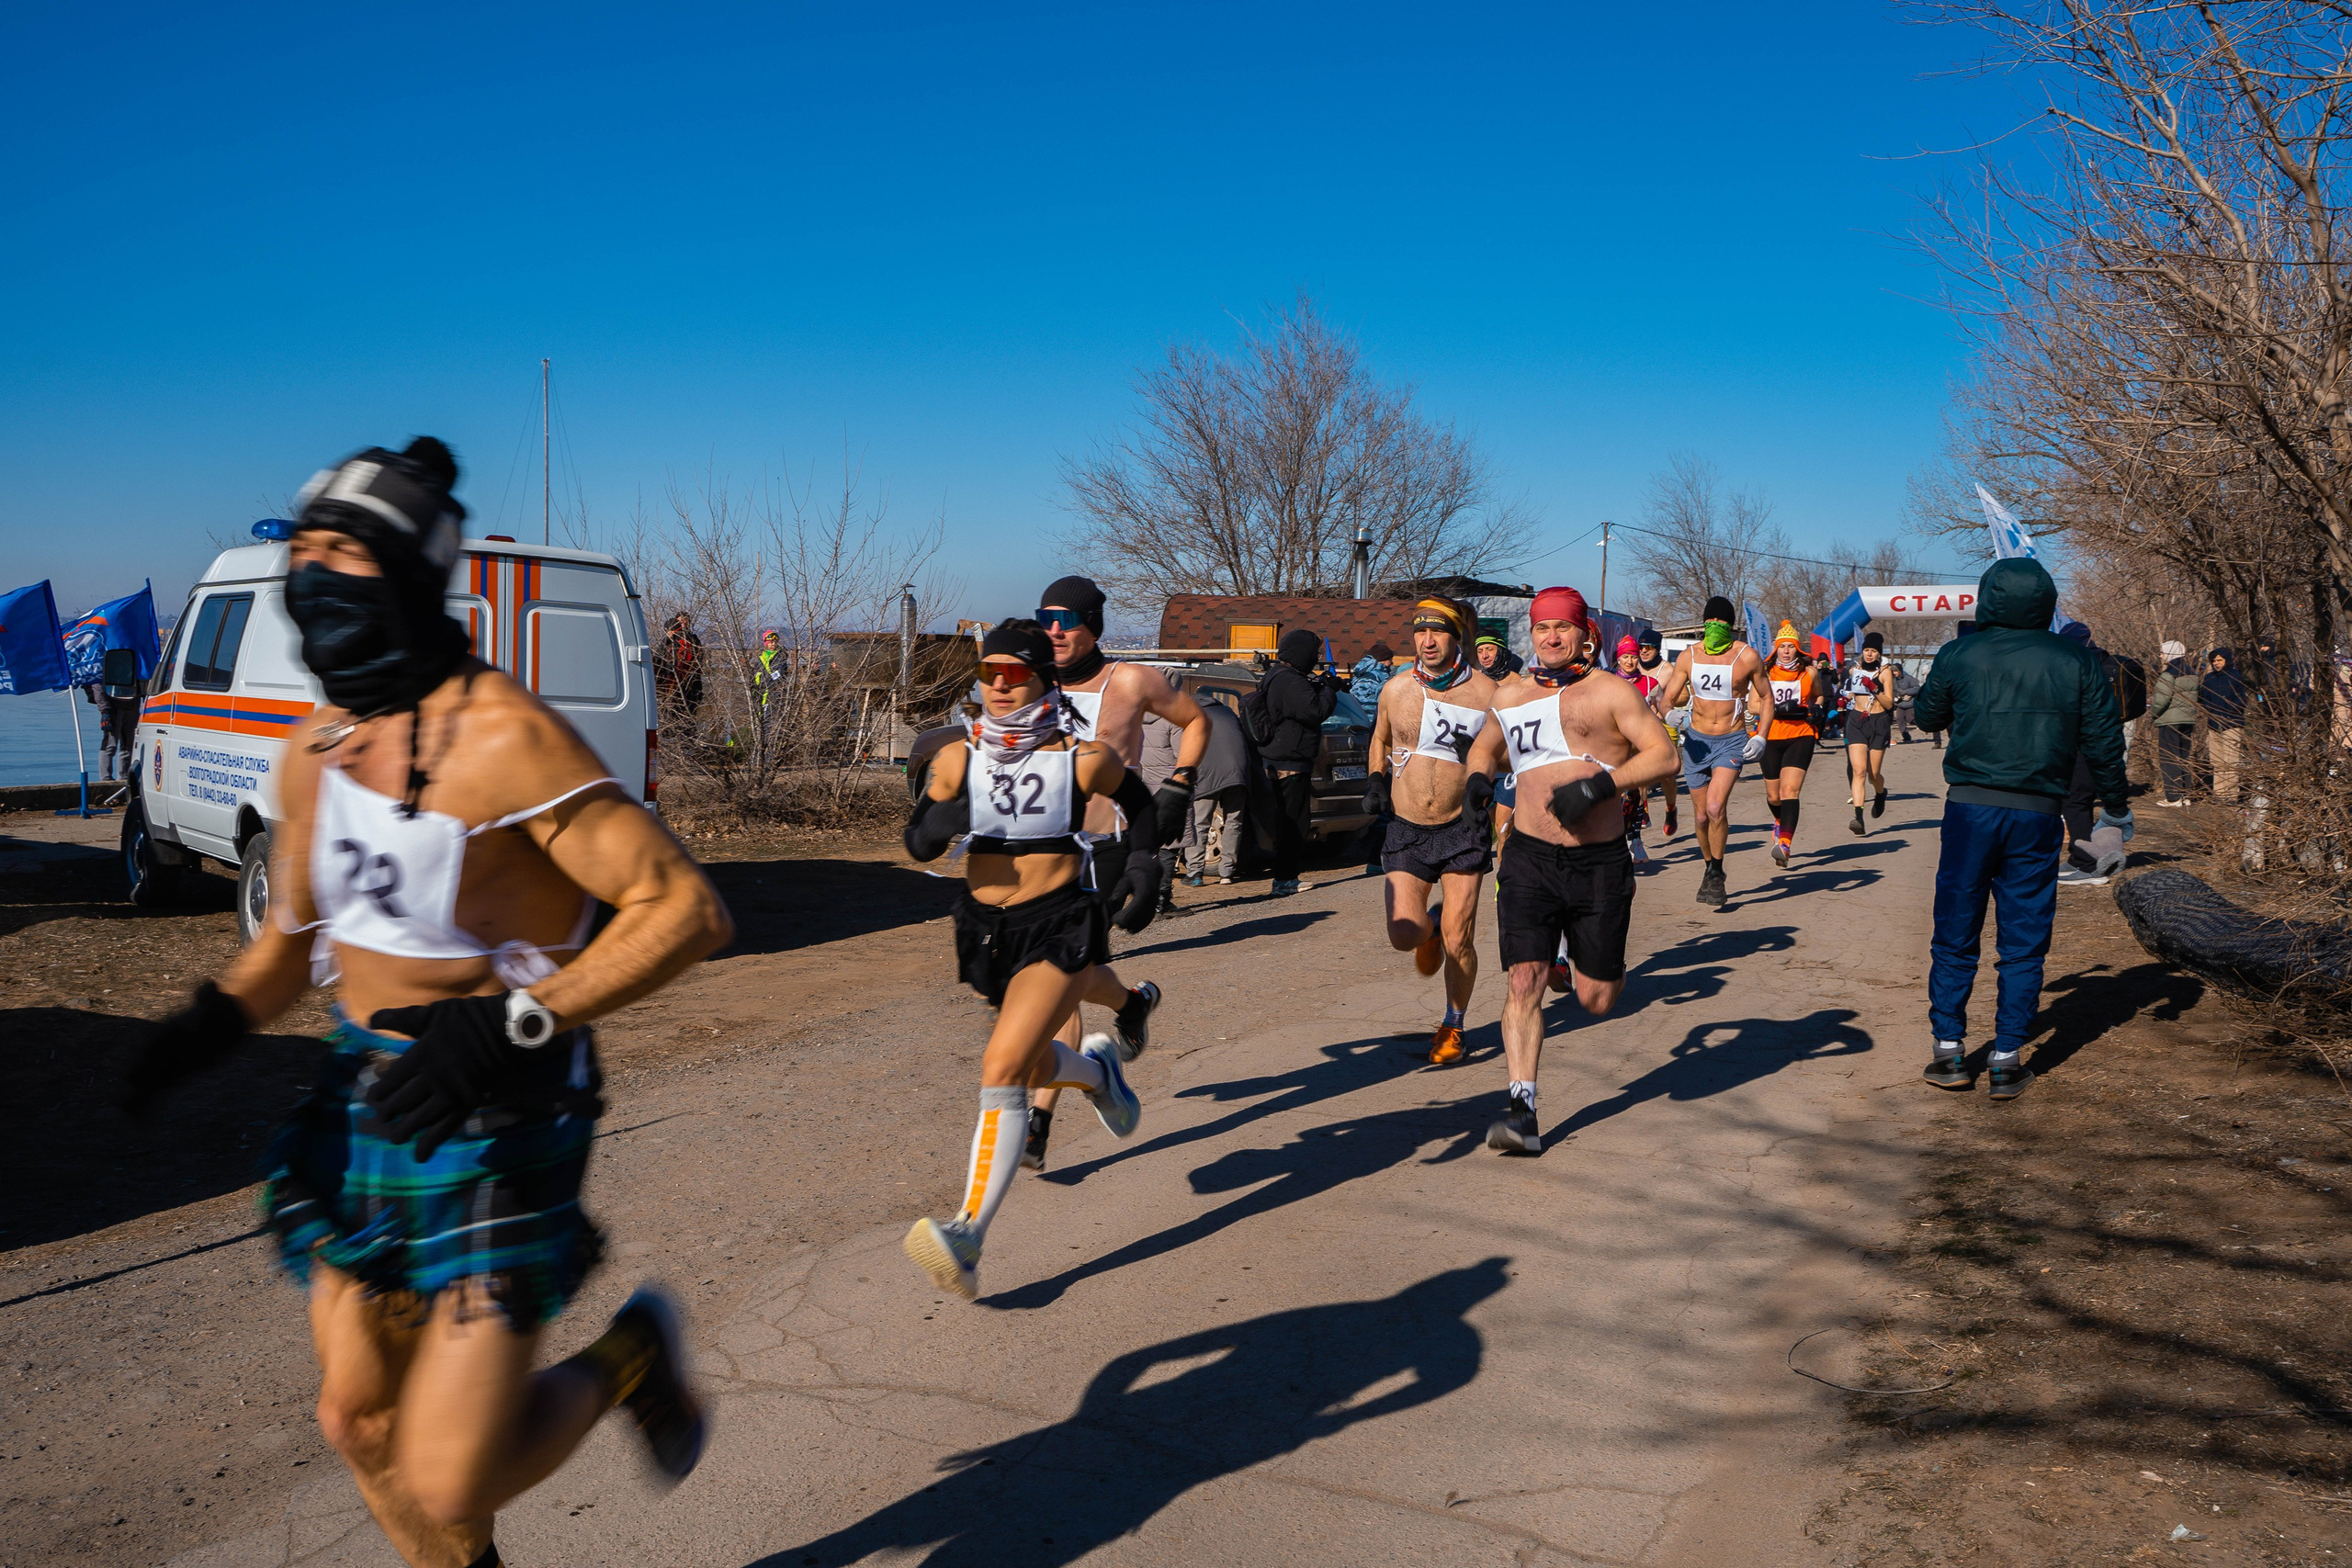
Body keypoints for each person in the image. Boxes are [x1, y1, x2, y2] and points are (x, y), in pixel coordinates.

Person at [118, 437, 734, 1568]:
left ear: (406, 574)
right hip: (369, 1092)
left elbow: (682, 909)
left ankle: (631, 1357)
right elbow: (286, 947)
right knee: (357, 1421)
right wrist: (200, 1030)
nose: (313, 575)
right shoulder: (317, 749)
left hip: (507, 1101)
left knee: (453, 1472)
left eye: (343, 552)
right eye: (303, 550)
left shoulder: (503, 733)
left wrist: (515, 1020)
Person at [900, 620, 1162, 1299]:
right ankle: (1098, 1073)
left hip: (1059, 923)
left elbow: (1139, 803)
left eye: (1014, 673)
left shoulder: (1082, 759)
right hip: (987, 929)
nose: (998, 684)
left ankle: (966, 1235)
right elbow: (918, 841)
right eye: (988, 672)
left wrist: (1143, 863)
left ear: (1044, 680)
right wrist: (940, 818)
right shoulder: (958, 756)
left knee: (1002, 1067)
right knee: (1034, 1061)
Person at [1915, 557, 2128, 1101]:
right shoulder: (2074, 659)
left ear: (1988, 597)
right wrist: (2116, 806)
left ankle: (1948, 1050)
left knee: (1956, 929)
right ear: (2046, 602)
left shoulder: (1960, 653)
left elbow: (1926, 717)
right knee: (2024, 935)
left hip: (1970, 809)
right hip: (2037, 812)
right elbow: (2104, 738)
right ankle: (2007, 1058)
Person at [1476, 586, 1678, 1152]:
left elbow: (1664, 755)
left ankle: (1589, 965)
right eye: (1542, 628)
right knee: (1523, 980)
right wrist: (1475, 783)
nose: (1551, 637)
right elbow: (1485, 750)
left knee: (1597, 999)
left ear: (1585, 634)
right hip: (1529, 858)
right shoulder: (1512, 693)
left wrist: (1600, 786)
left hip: (1598, 864)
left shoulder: (1611, 691)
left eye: (1562, 627)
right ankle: (1522, 1113)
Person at [1025, 575, 1202, 1172]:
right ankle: (1131, 1003)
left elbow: (1196, 721)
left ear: (1092, 625)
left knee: (1060, 978)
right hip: (1042, 851)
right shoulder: (1032, 682)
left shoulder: (1129, 681)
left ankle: (1038, 1120)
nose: (1053, 631)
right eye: (1045, 619)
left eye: (1065, 620)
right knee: (1068, 974)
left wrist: (1180, 782)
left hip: (1105, 849)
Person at [1366, 598, 1499, 1064]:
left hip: (1463, 827)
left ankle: (1453, 1025)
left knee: (1460, 938)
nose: (1427, 641)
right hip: (1408, 827)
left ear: (1455, 637)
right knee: (1403, 935)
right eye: (1420, 632)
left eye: (1437, 632)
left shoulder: (1488, 694)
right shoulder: (1396, 689)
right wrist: (1375, 779)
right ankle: (1429, 930)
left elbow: (1508, 756)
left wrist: (1483, 770)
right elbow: (1381, 737)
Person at [1653, 594, 1772, 907]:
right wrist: (1669, 714)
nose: (1714, 625)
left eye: (1720, 621)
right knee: (1702, 816)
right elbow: (1667, 698)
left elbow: (1766, 696)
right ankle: (1708, 867)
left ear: (1730, 625)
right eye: (1710, 620)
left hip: (1730, 740)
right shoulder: (1689, 656)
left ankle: (1717, 872)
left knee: (1716, 807)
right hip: (1696, 742)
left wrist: (1761, 736)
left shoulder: (1747, 656)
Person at [1258, 626, 1340, 896]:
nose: (1316, 658)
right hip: (1289, 762)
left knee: (1291, 820)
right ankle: (1284, 879)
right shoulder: (1289, 681)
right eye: (1314, 653)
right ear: (1302, 653)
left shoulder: (1281, 676)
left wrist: (1319, 686)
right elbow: (1315, 710)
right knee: (1293, 822)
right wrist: (1329, 690)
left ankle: (1286, 877)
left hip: (1284, 758)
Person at [1757, 622, 1821, 867]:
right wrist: (1777, 709)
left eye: (1790, 647)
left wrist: (1816, 708)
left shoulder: (1809, 673)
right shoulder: (1765, 672)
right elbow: (1752, 704)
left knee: (1789, 791)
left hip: (1801, 734)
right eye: (1782, 646)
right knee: (1774, 796)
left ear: (1797, 649)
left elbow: (1818, 696)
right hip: (1770, 735)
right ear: (1776, 649)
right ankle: (1779, 821)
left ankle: (1784, 845)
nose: (1786, 651)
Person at [1610, 635, 1674, 866]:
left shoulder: (1650, 683)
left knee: (1636, 794)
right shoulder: (1608, 683)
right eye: (1625, 657)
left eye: (1633, 657)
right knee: (1615, 795)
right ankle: (1617, 842)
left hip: (1639, 748)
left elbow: (1661, 705)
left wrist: (1666, 715)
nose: (1630, 661)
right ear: (1618, 659)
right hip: (1614, 748)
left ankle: (1635, 839)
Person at [1179, 698, 1250, 886]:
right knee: (1234, 822)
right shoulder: (1228, 713)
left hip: (1208, 775)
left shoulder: (1194, 715)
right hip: (1237, 774)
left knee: (1199, 823)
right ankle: (1227, 872)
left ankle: (1195, 873)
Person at [1843, 631, 1897, 835]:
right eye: (1866, 650)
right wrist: (1846, 697)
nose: (1869, 654)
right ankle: (1858, 818)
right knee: (1859, 771)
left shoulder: (1885, 673)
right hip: (1857, 721)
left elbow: (1889, 703)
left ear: (1879, 653)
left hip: (1878, 721)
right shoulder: (1855, 670)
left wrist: (1875, 689)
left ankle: (1881, 793)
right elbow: (1851, 691)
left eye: (1873, 651)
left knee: (1873, 775)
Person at [2148, 640, 2199, 806]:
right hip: (2188, 720)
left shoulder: (2169, 674)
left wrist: (2154, 714)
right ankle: (2184, 795)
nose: (2161, 656)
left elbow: (2161, 700)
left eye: (2163, 653)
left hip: (2170, 721)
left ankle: (2173, 797)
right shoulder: (2192, 673)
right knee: (2183, 757)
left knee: (2169, 758)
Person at [2200, 647, 2248, 803]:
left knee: (2231, 760)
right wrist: (2212, 712)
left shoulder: (2236, 677)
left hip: (2232, 723)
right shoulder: (2209, 678)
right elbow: (2203, 699)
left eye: (2219, 660)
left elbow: (2242, 700)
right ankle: (2220, 794)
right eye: (2214, 660)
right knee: (2217, 761)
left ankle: (2231, 795)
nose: (2216, 663)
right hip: (2214, 724)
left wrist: (2227, 711)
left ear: (2227, 660)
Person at [84, 679, 139, 782]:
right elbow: (97, 686)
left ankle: (123, 777)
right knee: (110, 744)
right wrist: (105, 711)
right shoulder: (104, 671)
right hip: (113, 707)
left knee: (128, 744)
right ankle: (105, 778)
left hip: (132, 704)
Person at [653, 612, 704, 720]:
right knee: (673, 712)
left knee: (689, 712)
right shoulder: (669, 640)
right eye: (680, 621)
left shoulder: (692, 639)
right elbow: (660, 657)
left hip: (689, 681)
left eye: (685, 620)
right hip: (672, 681)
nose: (683, 623)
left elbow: (698, 658)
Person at [1350, 641, 1396, 710]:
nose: (1392, 663)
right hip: (1370, 714)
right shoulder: (1375, 677)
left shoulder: (1361, 674)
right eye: (1390, 659)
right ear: (1383, 659)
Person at [1891, 661, 1920, 743]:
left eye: (1896, 671)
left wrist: (1906, 692)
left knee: (1910, 719)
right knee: (1900, 720)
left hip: (1910, 703)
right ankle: (1906, 737)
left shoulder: (1909, 678)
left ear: (1899, 671)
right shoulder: (1893, 681)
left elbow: (1917, 688)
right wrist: (1894, 698)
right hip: (1900, 704)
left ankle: (1924, 725)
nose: (1894, 673)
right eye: (1893, 671)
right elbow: (1892, 691)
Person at [755, 627, 785, 709]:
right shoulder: (761, 657)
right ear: (766, 643)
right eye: (771, 642)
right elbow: (756, 672)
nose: (773, 644)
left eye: (775, 642)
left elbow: (780, 671)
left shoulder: (780, 656)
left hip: (774, 691)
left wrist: (769, 679)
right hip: (761, 690)